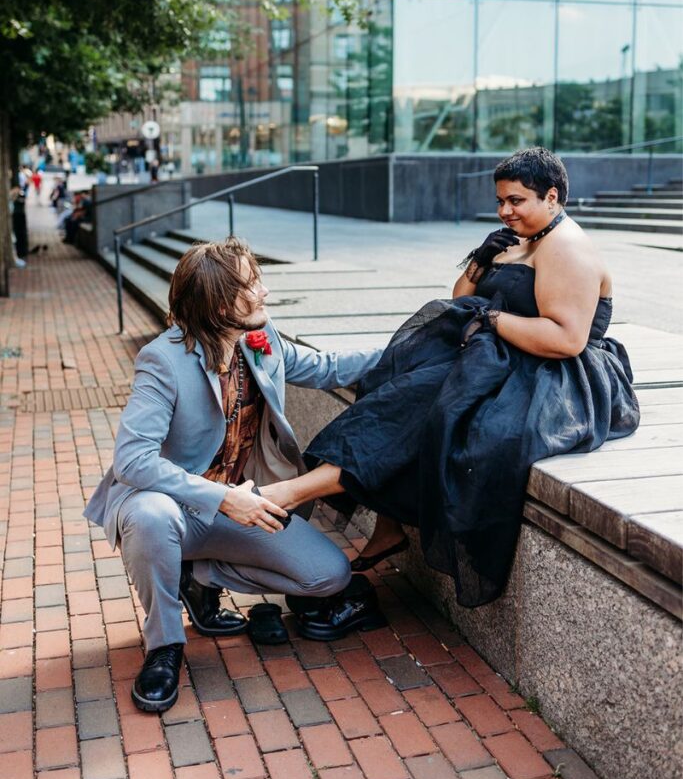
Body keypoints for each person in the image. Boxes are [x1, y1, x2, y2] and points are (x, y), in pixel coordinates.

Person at [261, 147, 640, 608]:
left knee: (433, 407)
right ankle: (385, 524)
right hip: (501, 355)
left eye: (516, 201)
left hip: (555, 374)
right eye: (501, 200)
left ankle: (290, 494)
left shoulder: (567, 249)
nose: (504, 211)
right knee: (394, 380)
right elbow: (461, 296)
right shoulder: (518, 235)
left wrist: (492, 319)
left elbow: (565, 340)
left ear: (552, 196)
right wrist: (481, 260)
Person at [84, 238, 383, 713]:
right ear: (219, 303)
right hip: (169, 507)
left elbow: (327, 369)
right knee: (152, 516)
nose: (263, 291)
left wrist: (413, 343)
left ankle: (193, 573)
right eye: (250, 284)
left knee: (328, 575)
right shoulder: (164, 360)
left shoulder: (260, 340)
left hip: (232, 507)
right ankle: (165, 647)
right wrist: (224, 499)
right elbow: (133, 460)